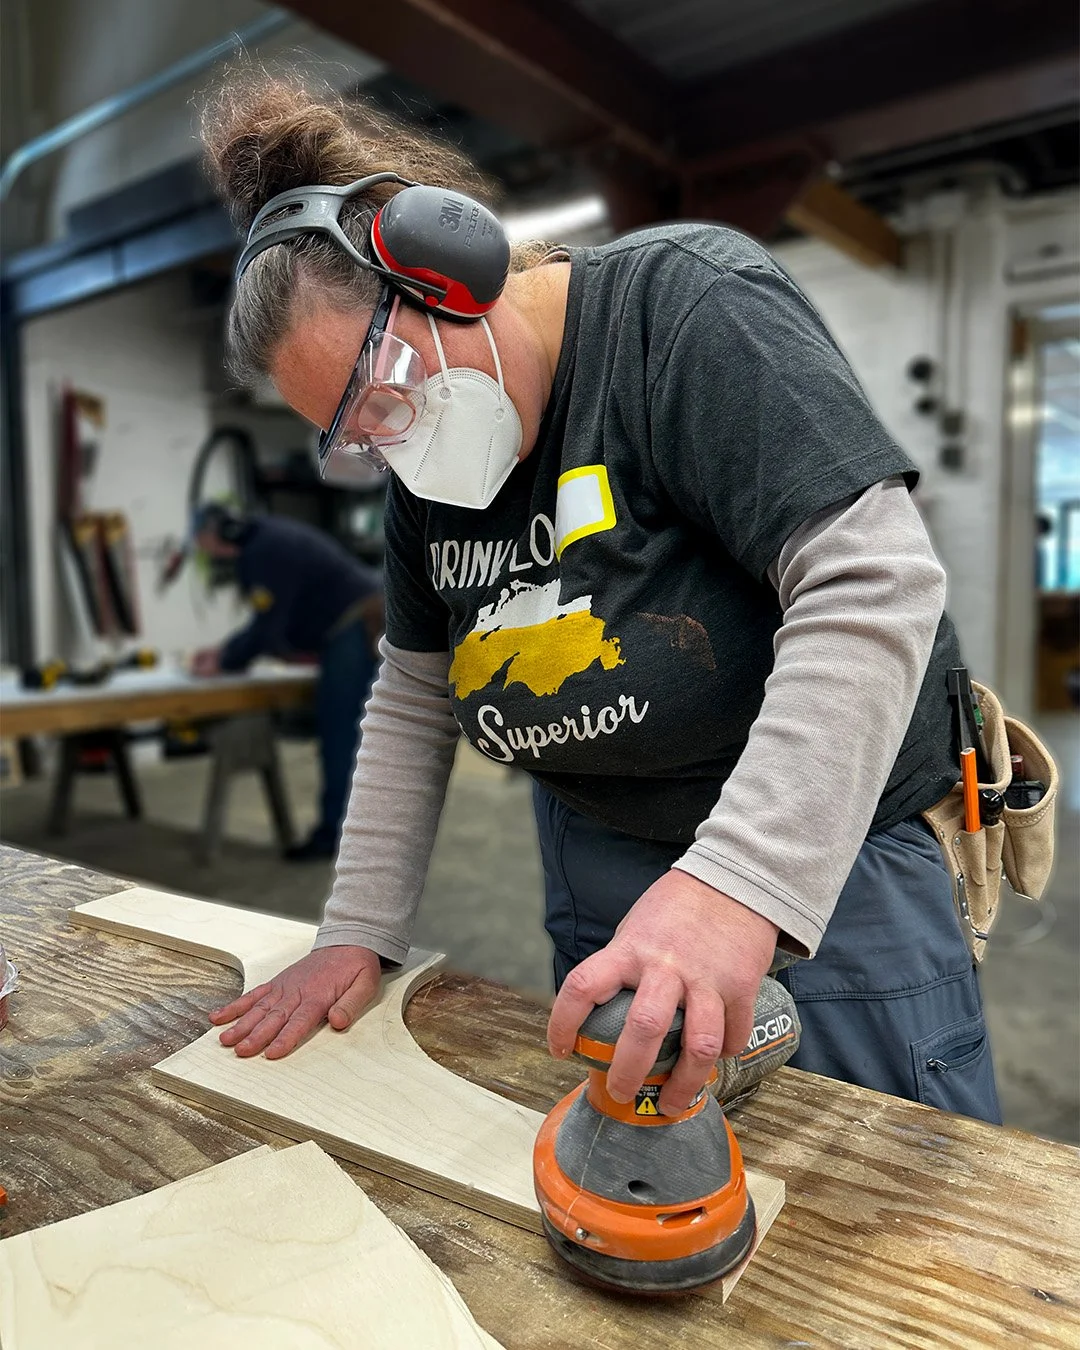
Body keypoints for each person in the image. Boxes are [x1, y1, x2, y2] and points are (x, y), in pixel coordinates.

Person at [201, 75, 1001, 1126]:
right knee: (630, 1163)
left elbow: (873, 581)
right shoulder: (426, 475)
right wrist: (356, 929)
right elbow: (415, 693)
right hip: (601, 849)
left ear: (453, 275)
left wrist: (739, 883)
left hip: (821, 857)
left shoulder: (683, 311)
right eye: (359, 435)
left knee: (873, 1181)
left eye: (387, 396)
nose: (395, 444)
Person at [191, 504, 383, 861]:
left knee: (341, 737)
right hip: (354, 623)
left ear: (216, 535)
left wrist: (225, 660)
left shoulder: (263, 551)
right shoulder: (265, 539)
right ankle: (350, 834)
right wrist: (227, 653)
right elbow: (271, 621)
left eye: (202, 541)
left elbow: (268, 626)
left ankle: (336, 837)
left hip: (355, 625)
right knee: (349, 736)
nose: (203, 551)